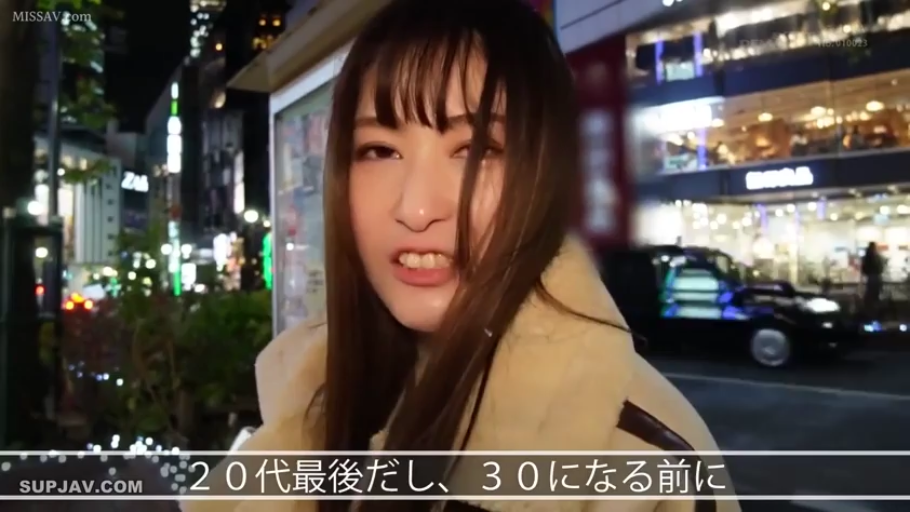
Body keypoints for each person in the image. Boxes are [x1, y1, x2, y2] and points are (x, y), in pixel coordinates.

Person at [183, 0, 738, 511]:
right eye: (380, 150)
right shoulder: (311, 399)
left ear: (546, 174)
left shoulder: (638, 460)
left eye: (476, 150)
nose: (416, 209)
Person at [861, 241, 884, 313]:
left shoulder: (866, 256)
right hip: (877, 277)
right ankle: (876, 311)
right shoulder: (877, 256)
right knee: (876, 295)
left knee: (870, 294)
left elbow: (863, 269)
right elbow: (881, 268)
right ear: (874, 247)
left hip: (870, 277)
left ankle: (869, 311)